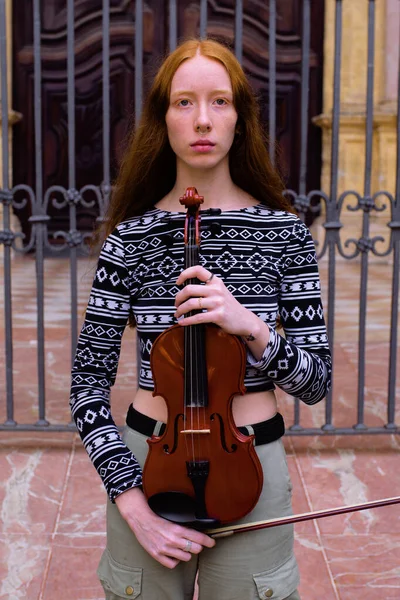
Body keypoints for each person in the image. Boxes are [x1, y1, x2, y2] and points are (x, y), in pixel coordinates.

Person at [70, 37, 331, 600]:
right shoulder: (131, 239)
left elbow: (317, 381)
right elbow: (87, 388)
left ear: (241, 118)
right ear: (162, 119)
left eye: (219, 101)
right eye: (184, 102)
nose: (203, 119)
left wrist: (253, 329)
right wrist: (132, 502)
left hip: (252, 465)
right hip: (149, 465)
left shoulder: (285, 235)